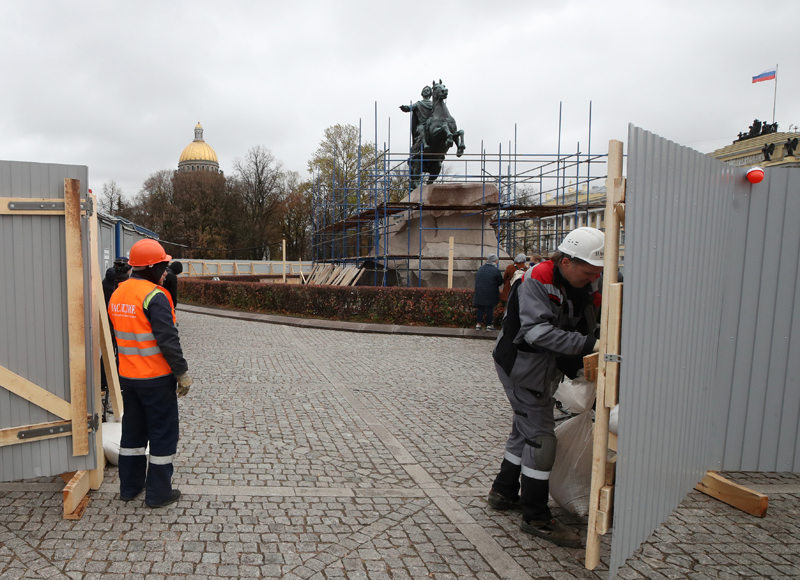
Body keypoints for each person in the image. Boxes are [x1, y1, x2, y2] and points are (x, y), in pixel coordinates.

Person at [489, 227, 604, 548]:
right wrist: (593, 344)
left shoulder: (581, 282)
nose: (593, 276)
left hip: (542, 367)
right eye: (588, 270)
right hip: (522, 367)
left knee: (523, 429)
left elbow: (587, 317)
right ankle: (536, 516)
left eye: (598, 271)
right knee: (541, 438)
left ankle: (503, 491)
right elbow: (537, 333)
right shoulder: (537, 279)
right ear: (566, 262)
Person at [108, 239, 193, 508]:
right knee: (162, 434)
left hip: (128, 379)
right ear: (150, 267)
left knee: (133, 433)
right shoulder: (155, 296)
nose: (166, 271)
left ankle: (130, 487)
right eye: (163, 266)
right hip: (155, 380)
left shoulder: (118, 293)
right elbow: (168, 340)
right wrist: (181, 373)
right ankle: (158, 494)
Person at [473, 254, 504, 331]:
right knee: (490, 309)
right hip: (491, 292)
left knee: (480, 308)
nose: (497, 262)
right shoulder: (495, 270)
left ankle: (478, 325)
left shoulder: (481, 268)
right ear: (494, 261)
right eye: (497, 260)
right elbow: (500, 282)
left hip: (479, 292)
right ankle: (489, 325)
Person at [399, 86, 433, 154]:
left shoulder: (434, 104)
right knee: (421, 129)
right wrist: (404, 107)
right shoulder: (418, 104)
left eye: (427, 90)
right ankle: (425, 144)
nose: (425, 91)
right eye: (424, 90)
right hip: (422, 124)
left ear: (430, 93)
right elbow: (410, 107)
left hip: (432, 124)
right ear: (422, 93)